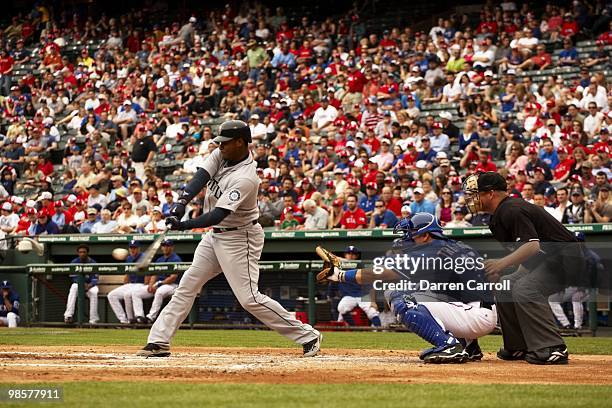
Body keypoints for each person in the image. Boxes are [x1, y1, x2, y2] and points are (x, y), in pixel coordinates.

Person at [137, 120, 321, 358]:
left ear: (240, 142)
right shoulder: (220, 154)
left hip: (240, 237)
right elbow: (200, 178)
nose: (220, 146)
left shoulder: (246, 177)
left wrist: (185, 225)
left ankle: (308, 335)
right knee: (187, 285)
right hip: (215, 237)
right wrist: (181, 203)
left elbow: (218, 214)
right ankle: (159, 341)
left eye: (225, 142)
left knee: (249, 299)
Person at [318, 214, 496, 363]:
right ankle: (470, 346)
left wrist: (338, 275)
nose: (408, 238)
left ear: (426, 235)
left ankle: (449, 346)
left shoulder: (429, 251)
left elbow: (376, 274)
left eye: (412, 234)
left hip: (474, 316)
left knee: (399, 296)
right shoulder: (456, 245)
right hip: (479, 311)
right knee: (424, 290)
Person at [462, 172, 585, 365]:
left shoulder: (511, 209)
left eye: (476, 193)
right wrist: (504, 274)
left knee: (526, 289)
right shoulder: (498, 216)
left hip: (568, 258)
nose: (472, 198)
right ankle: (518, 346)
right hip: (547, 259)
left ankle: (552, 347)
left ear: (491, 193)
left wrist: (500, 264)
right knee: (506, 285)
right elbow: (529, 255)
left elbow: (532, 246)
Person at [132, 239, 181, 324]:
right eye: (163, 246)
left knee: (159, 292)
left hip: (172, 285)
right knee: (136, 293)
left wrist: (159, 284)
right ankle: (139, 316)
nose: (165, 248)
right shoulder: (160, 260)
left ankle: (151, 317)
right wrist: (151, 285)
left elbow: (173, 277)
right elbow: (154, 274)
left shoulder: (176, 259)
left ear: (172, 247)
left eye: (167, 246)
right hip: (159, 284)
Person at [334, 246, 381, 328]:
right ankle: (354, 328)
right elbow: (332, 258)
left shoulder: (363, 265)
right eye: (349, 253)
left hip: (364, 295)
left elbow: (371, 285)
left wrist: (373, 301)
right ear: (345, 255)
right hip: (349, 296)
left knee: (372, 312)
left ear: (357, 256)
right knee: (341, 308)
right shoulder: (340, 265)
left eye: (353, 254)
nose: (351, 256)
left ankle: (379, 331)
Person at [108, 240, 147, 325]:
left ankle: (132, 319)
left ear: (139, 248)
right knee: (111, 295)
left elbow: (149, 273)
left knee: (127, 294)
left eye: (135, 248)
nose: (133, 250)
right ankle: (123, 320)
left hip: (141, 284)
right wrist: (125, 283)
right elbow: (127, 273)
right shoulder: (129, 258)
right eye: (131, 248)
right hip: (131, 284)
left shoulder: (144, 257)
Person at [64, 244, 99, 324]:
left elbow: (95, 279)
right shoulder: (74, 262)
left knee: (94, 292)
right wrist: (82, 284)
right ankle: (68, 316)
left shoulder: (93, 262)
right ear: (78, 253)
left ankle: (93, 320)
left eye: (84, 252)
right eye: (80, 252)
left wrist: (89, 285)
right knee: (73, 287)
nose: (82, 254)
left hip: (90, 285)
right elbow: (73, 278)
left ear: (87, 253)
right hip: (79, 284)